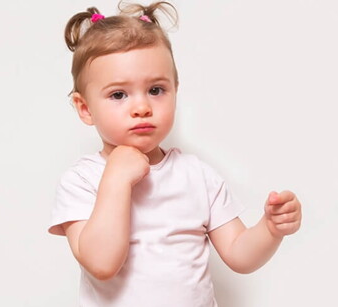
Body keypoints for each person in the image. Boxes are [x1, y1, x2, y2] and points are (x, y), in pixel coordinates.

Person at [47, 2, 302, 306]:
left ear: (175, 90)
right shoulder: (82, 181)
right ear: (85, 108)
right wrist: (115, 180)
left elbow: (238, 254)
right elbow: (101, 263)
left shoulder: (197, 175)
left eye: (156, 90)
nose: (142, 107)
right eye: (118, 94)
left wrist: (270, 229)